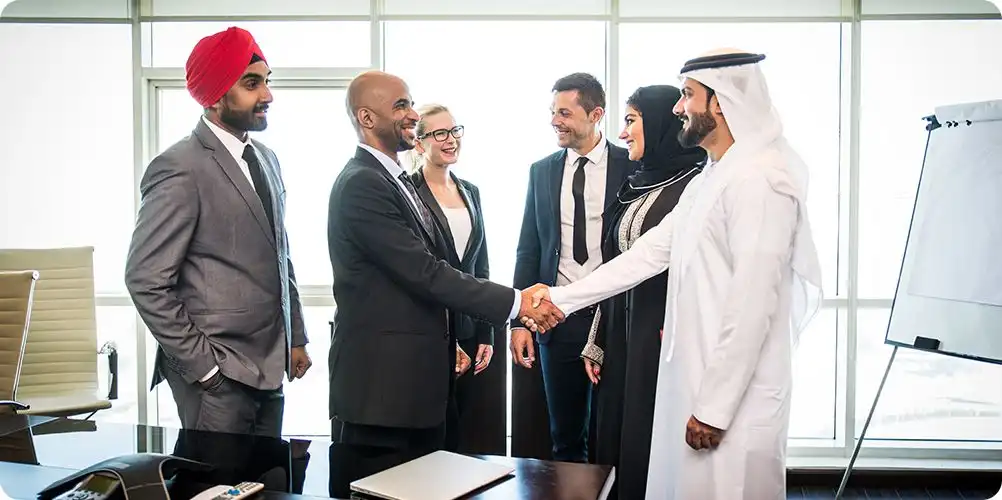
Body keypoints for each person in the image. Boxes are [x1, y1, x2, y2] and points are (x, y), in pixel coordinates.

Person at [523, 49, 823, 499]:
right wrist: (560, 299)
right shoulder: (710, 178)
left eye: (688, 96)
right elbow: (645, 255)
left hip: (733, 396)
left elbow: (754, 301)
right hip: (692, 376)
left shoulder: (760, 179)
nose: (679, 108)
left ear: (720, 102)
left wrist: (716, 408)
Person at [325, 70, 562, 497]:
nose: (412, 114)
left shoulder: (393, 180)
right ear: (366, 117)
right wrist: (517, 304)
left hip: (417, 392)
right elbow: (427, 272)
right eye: (401, 106)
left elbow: (459, 266)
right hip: (382, 397)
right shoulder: (363, 184)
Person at [125, 27, 312, 437]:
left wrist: (295, 336)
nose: (267, 95)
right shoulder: (179, 167)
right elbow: (145, 279)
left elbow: (280, 255)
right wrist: (205, 369)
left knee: (262, 488)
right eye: (251, 84)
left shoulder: (266, 158)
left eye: (266, 81)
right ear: (213, 96)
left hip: (271, 368)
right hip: (217, 378)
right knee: (212, 490)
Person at [580, 85, 705, 499]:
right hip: (620, 335)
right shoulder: (638, 183)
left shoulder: (695, 187)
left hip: (659, 336)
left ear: (659, 123)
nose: (623, 133)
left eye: (632, 120)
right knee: (615, 436)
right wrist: (597, 339)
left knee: (649, 439)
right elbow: (617, 267)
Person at [509, 73, 639, 463]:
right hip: (557, 318)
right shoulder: (541, 171)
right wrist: (518, 320)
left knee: (613, 431)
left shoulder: (631, 165)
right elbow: (528, 248)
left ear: (595, 114)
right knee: (565, 436)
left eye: (564, 112)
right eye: (552, 112)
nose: (555, 121)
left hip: (615, 318)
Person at [406, 104, 502, 453]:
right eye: (440, 134)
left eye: (455, 131)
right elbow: (421, 275)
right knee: (433, 443)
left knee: (468, 442)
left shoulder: (471, 192)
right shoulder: (409, 194)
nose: (451, 140)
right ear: (419, 144)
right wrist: (448, 341)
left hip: (471, 334)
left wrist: (487, 333)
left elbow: (481, 268)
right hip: (432, 335)